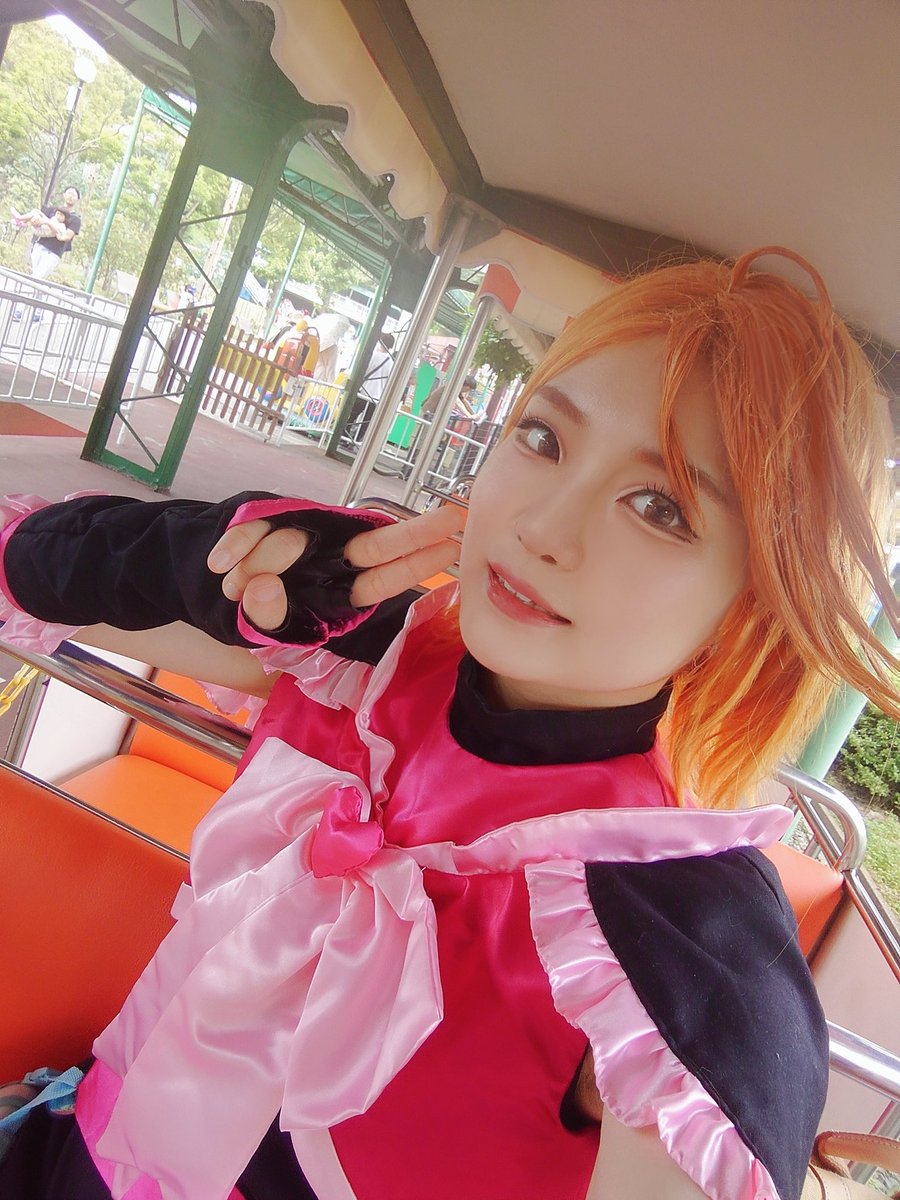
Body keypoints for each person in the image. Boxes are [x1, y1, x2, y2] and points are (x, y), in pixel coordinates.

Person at [0, 247, 896, 1200]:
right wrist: (203, 561)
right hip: (65, 1154)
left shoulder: (673, 948)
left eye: (659, 507)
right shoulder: (360, 655)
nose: (543, 526)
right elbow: (25, 572)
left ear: (754, 607)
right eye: (543, 438)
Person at [13, 185, 82, 282]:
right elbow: (39, 222)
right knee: (36, 278)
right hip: (39, 246)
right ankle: (20, 220)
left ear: (77, 199)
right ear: (64, 195)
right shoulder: (53, 210)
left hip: (53, 252)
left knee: (36, 278)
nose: (70, 196)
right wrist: (34, 222)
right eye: (69, 193)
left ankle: (21, 290)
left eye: (73, 195)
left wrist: (51, 226)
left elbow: (66, 237)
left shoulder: (75, 219)